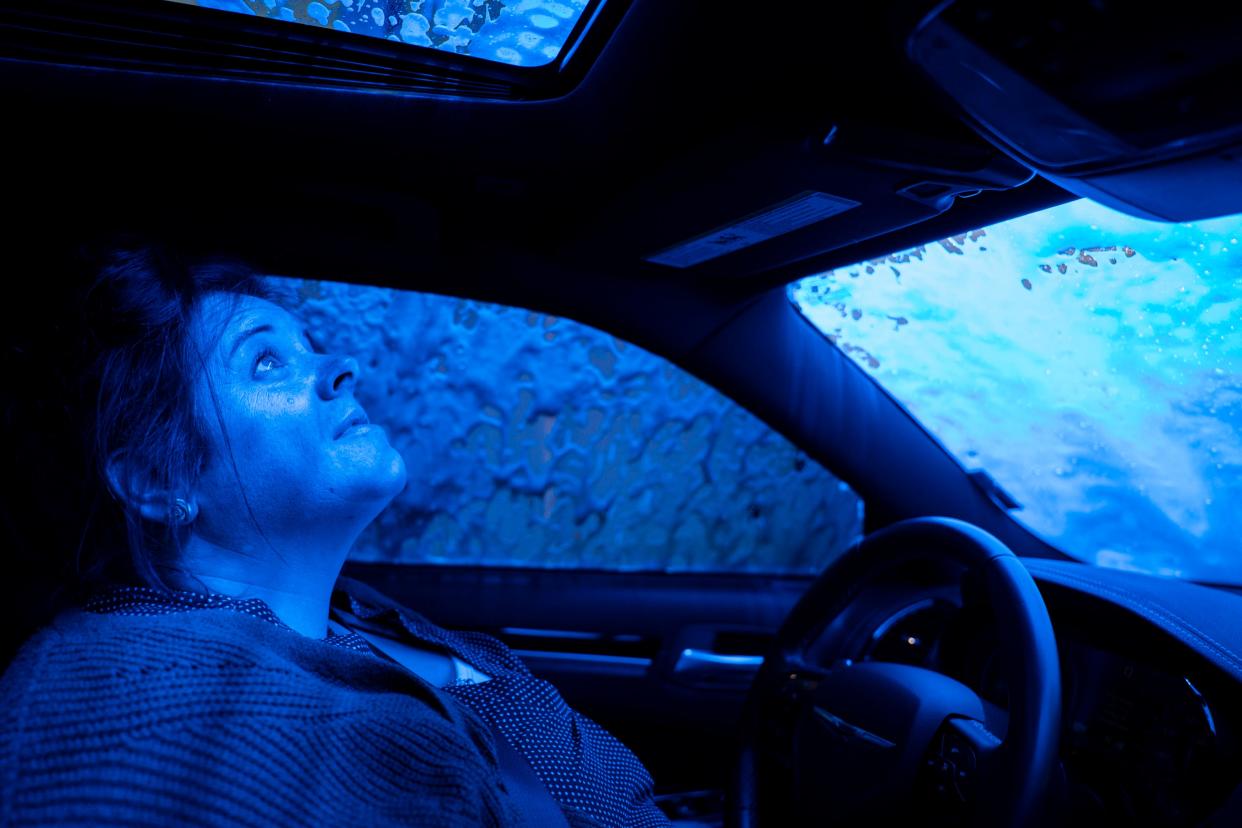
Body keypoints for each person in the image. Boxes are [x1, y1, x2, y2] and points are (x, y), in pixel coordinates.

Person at [0, 243, 671, 827]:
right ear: (157, 478)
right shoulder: (122, 713)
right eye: (266, 363)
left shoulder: (358, 614)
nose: (341, 366)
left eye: (309, 348)